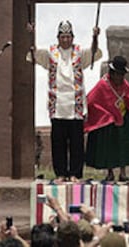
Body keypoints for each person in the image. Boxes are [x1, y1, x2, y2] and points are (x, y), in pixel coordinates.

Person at [27, 20, 102, 183]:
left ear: (72, 37)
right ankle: (60, 173)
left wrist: (95, 37)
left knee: (76, 143)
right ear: (58, 38)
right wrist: (31, 34)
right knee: (58, 143)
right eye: (63, 37)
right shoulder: (51, 53)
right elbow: (34, 53)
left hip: (75, 105)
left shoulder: (79, 52)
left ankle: (75, 173)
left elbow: (94, 52)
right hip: (58, 104)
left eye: (68, 37)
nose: (66, 40)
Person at [84, 56, 129, 182]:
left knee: (123, 145)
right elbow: (92, 100)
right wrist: (105, 115)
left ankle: (123, 173)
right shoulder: (103, 84)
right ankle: (110, 173)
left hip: (123, 119)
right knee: (109, 146)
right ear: (112, 73)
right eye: (118, 74)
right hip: (108, 121)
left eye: (122, 75)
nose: (120, 78)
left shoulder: (125, 85)